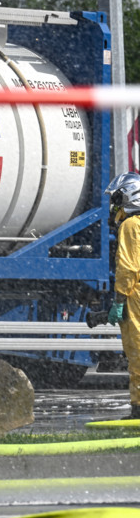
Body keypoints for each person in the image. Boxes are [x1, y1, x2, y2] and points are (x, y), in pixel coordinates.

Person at [104, 173, 140, 419]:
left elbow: (127, 267)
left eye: (118, 198)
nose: (115, 204)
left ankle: (138, 409)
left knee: (136, 351)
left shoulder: (130, 225)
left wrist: (118, 301)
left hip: (135, 295)